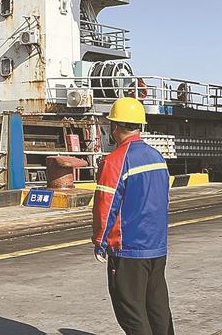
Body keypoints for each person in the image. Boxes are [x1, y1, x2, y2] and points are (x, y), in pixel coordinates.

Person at [93, 97, 174, 335]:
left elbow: (105, 206)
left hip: (128, 249)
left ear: (115, 126)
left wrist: (100, 241)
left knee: (131, 313)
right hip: (157, 247)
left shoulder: (115, 161)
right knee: (158, 309)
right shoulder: (157, 157)